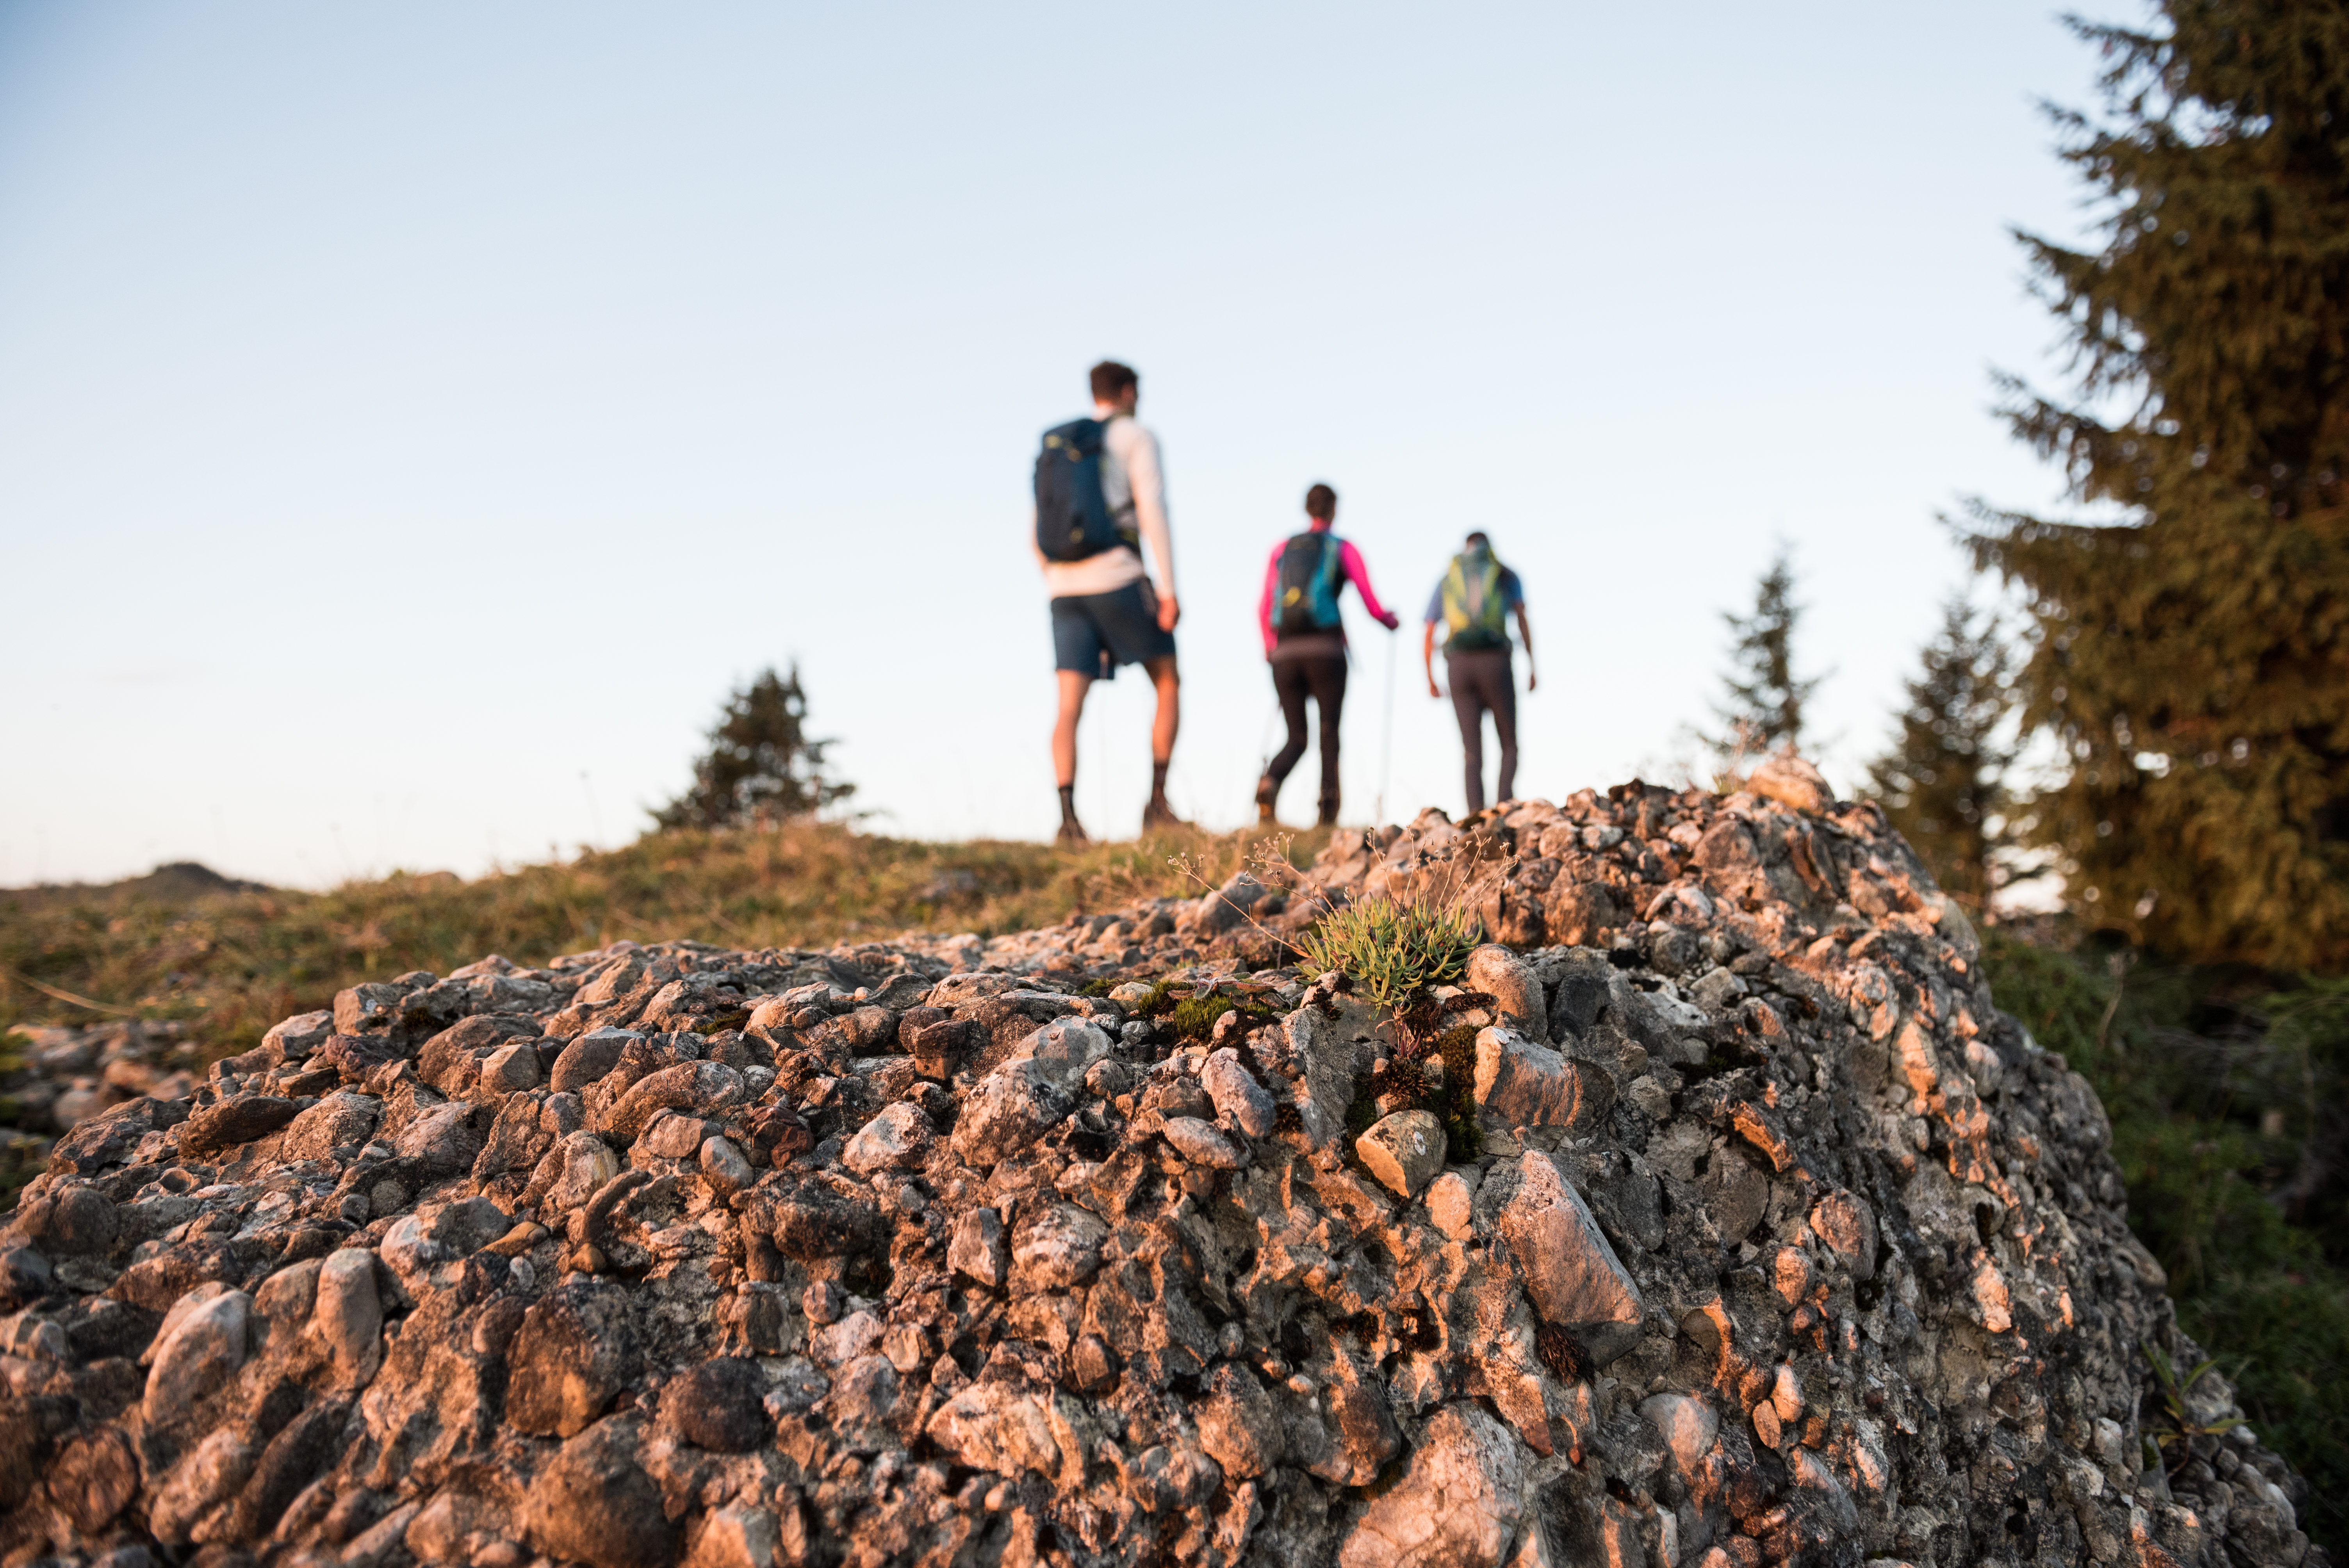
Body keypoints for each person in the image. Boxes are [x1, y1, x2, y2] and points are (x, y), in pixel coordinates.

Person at [1031, 360, 1182, 845]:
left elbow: (1036, 532)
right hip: (1118, 576)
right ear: (1127, 391)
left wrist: (1057, 581)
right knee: (1166, 678)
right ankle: (1157, 803)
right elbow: (1152, 509)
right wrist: (1167, 589)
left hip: (1062, 589)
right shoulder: (1136, 436)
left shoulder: (1058, 445)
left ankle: (1067, 819)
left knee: (1068, 704)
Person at [1253, 483, 1399, 825]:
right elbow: (1371, 602)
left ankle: (1270, 781)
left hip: (1285, 654)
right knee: (1329, 731)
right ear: (1333, 509)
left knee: (1296, 736)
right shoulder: (1343, 548)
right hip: (1326, 653)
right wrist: (1390, 621)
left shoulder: (1281, 549)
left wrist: (1269, 648)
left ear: (1307, 509)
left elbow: (1263, 605)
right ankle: (1327, 812)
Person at [1424, 530, 1535, 814]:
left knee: (1472, 752)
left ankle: (1476, 818)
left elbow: (1429, 631)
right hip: (1496, 662)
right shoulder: (1505, 575)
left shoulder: (1448, 578)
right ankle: (1505, 808)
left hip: (1458, 665)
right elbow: (1521, 618)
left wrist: (1430, 677)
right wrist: (1533, 664)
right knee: (1509, 744)